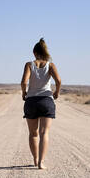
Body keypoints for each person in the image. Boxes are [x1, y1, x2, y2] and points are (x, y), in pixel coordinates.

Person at [21, 38, 61, 169]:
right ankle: (41, 162)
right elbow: (59, 81)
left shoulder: (29, 65)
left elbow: (24, 82)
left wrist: (24, 93)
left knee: (33, 133)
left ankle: (35, 158)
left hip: (31, 101)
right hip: (46, 101)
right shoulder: (50, 65)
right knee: (45, 133)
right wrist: (56, 93)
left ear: (34, 52)